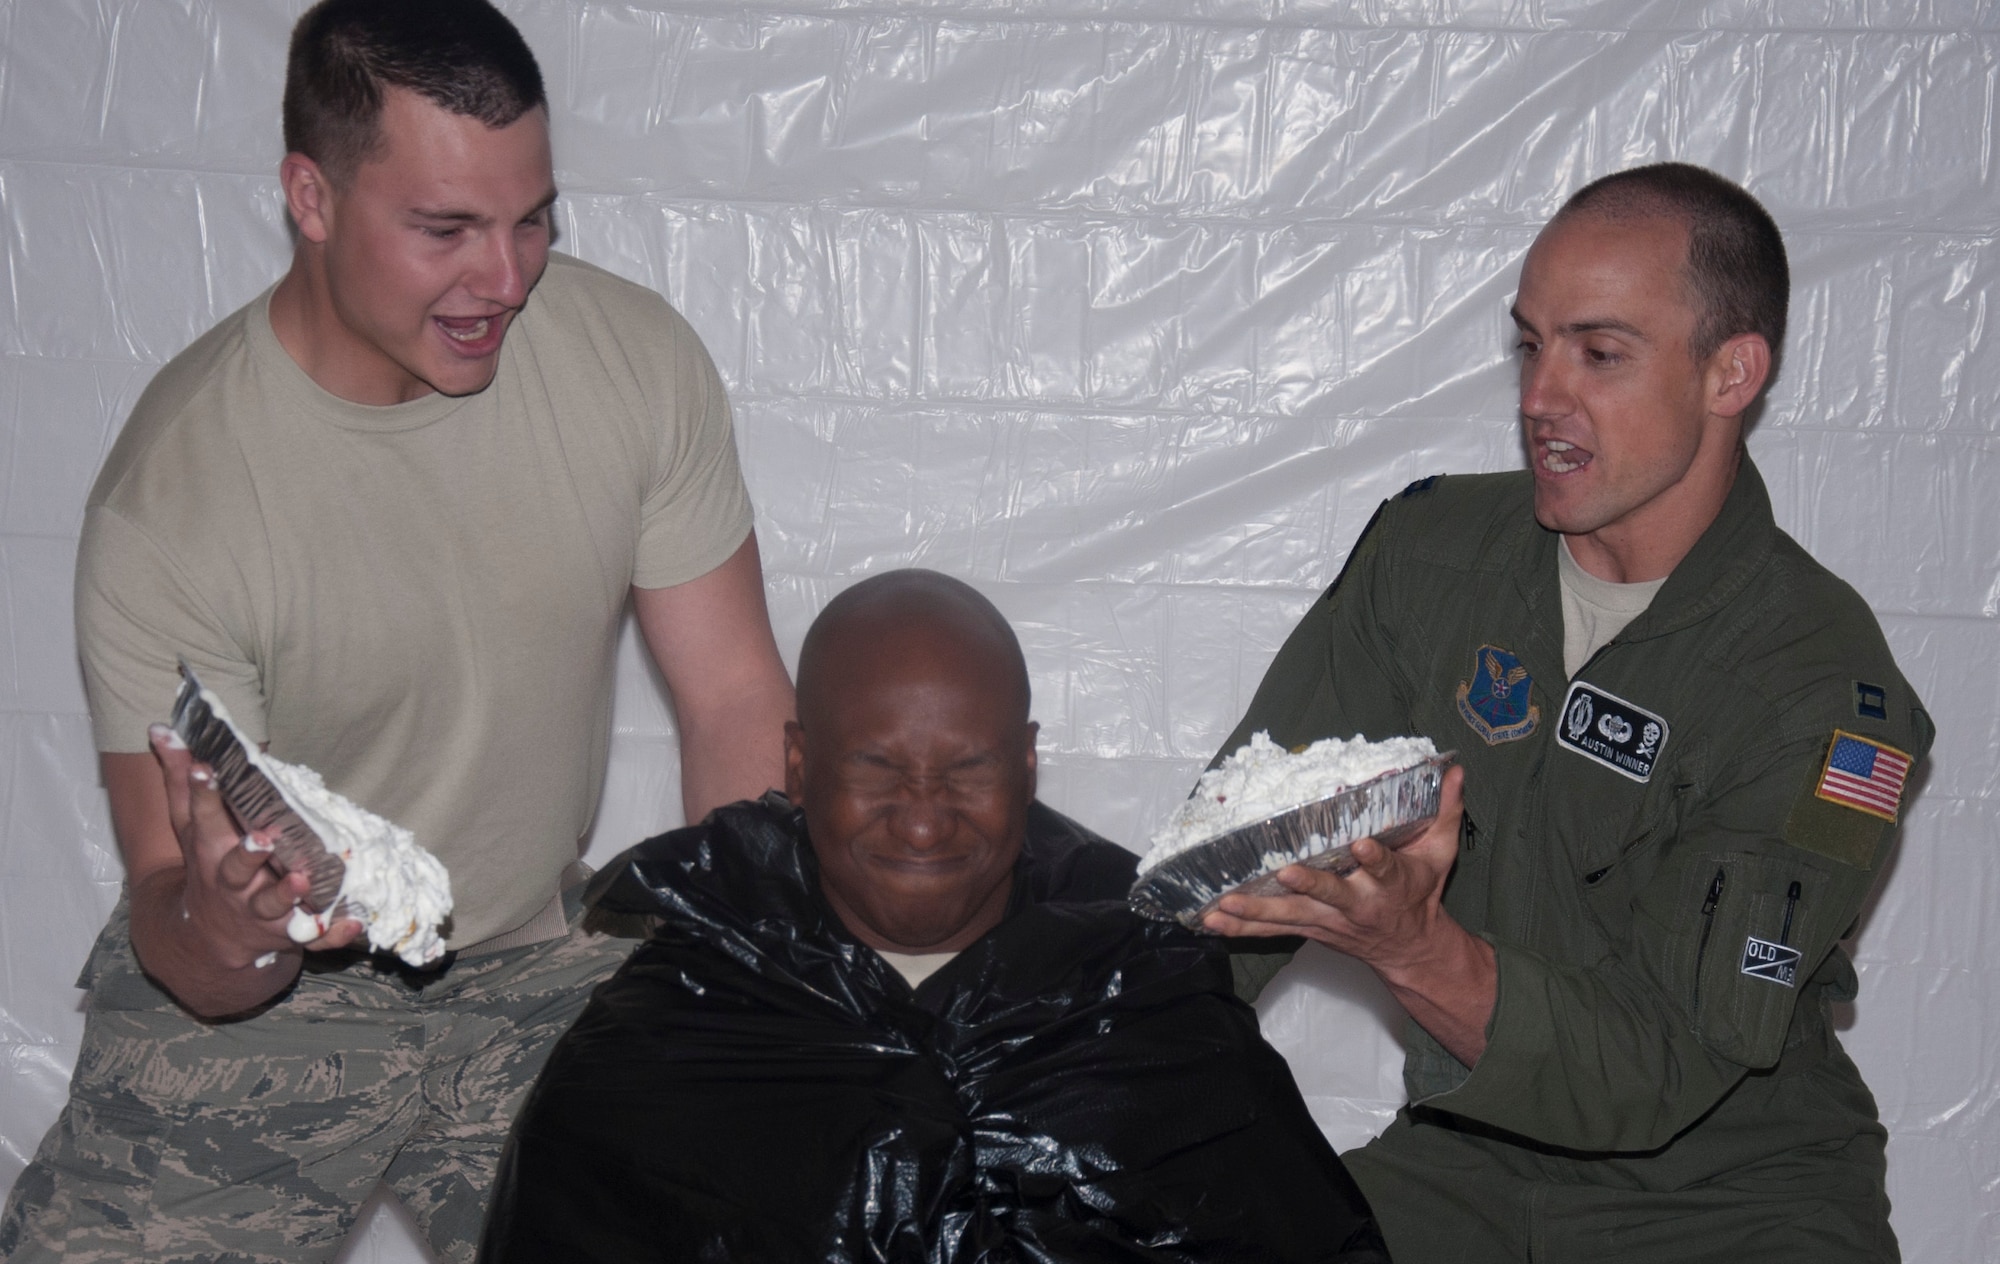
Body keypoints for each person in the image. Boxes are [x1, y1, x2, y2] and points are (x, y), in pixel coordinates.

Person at [0, 2, 793, 1261]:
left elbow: (735, 700)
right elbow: (181, 927)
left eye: (531, 218)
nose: (504, 277)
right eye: (445, 230)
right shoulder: (175, 505)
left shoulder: (634, 363)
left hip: (538, 964)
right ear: (309, 199)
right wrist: (233, 925)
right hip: (266, 1006)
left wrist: (743, 1000)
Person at [1201, 163, 1933, 1261]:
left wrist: (1413, 945)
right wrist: (1075, 1044)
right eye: (1529, 344)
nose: (1540, 396)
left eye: (1597, 353)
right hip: (1463, 1165)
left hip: (1729, 1200)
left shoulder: (1827, 696)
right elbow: (1241, 869)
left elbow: (1660, 1068)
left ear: (1730, 371)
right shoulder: (1431, 557)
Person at [477, 570, 1390, 1264]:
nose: (922, 817)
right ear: (800, 765)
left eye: (968, 770)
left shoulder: (1144, 998)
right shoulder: (677, 1026)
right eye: (876, 768)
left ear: (1029, 765)